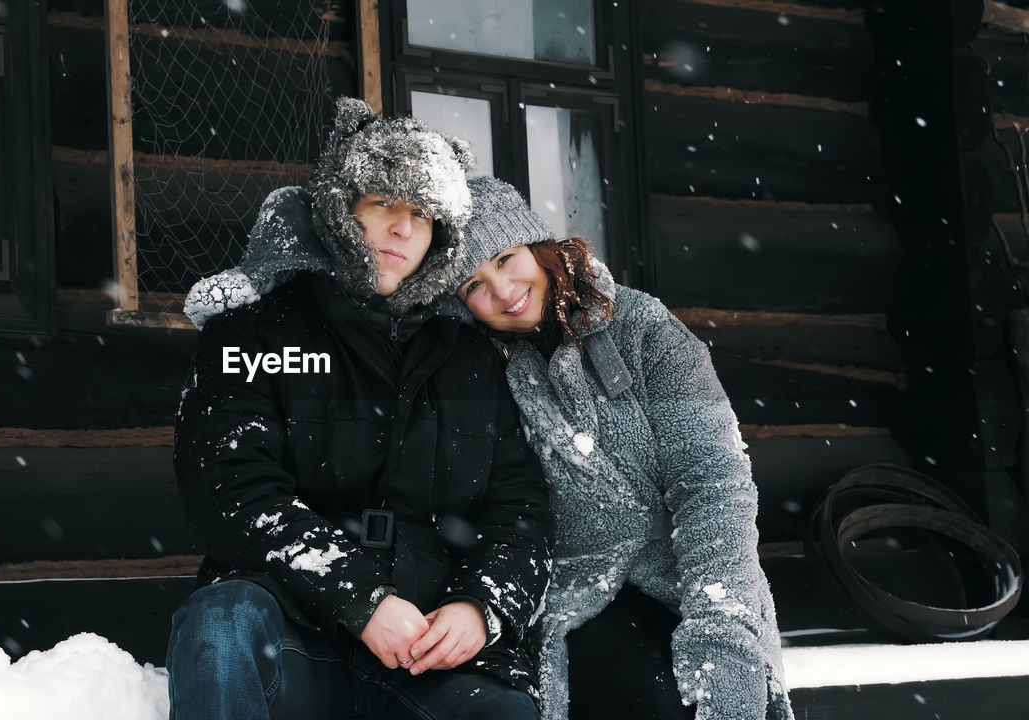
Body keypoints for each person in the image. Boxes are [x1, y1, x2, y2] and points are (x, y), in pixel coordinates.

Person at [170, 100, 552, 720]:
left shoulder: (470, 358)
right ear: (341, 210)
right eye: (384, 205)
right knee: (221, 625)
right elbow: (231, 488)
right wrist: (360, 599)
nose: (404, 230)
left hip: (430, 655)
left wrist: (480, 608)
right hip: (293, 629)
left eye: (423, 217)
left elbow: (521, 508)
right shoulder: (257, 335)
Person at [451, 176, 794, 720]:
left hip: (693, 571)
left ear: (538, 247)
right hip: (578, 593)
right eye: (472, 284)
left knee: (714, 694)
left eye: (506, 258)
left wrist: (719, 627)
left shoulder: (643, 328)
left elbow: (714, 481)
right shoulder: (480, 372)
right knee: (644, 700)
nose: (501, 290)